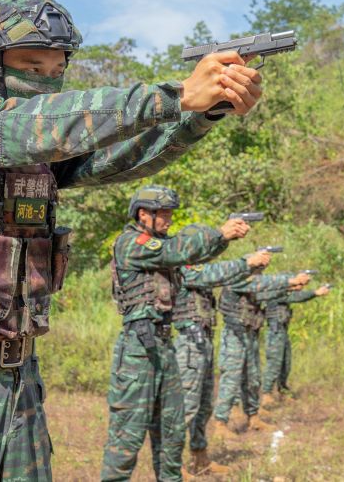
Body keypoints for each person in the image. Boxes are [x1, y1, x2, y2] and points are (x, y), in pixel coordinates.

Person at [0, 0, 263, 481]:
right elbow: (40, 124)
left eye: (56, 69)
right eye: (33, 63)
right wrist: (174, 95)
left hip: (18, 381)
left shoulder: (38, 152)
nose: (47, 79)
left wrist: (205, 112)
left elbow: (123, 155)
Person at [101, 188, 253, 481]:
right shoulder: (132, 243)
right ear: (143, 214)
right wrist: (219, 233)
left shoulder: (160, 245)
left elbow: (193, 254)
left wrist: (223, 239)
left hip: (163, 346)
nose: (169, 219)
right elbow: (177, 250)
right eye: (164, 214)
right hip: (137, 350)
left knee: (171, 435)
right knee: (127, 438)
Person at [174, 244, 272, 476]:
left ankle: (200, 458)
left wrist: (249, 265)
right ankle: (173, 467)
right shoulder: (183, 269)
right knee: (185, 407)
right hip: (188, 345)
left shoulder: (198, 270)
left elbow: (221, 274)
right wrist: (246, 263)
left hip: (202, 341)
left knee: (204, 405)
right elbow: (214, 275)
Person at [211, 271, 311, 437]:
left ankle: (253, 417)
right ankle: (221, 422)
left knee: (253, 378)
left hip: (250, 333)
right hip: (235, 334)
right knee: (231, 378)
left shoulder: (253, 284)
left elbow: (270, 292)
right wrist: (289, 281)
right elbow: (261, 284)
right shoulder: (238, 277)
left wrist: (291, 286)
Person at [259, 283, 331, 408]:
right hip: (275, 332)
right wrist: (315, 293)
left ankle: (283, 391)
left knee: (285, 364)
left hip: (282, 331)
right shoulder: (277, 293)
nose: (299, 287)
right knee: (274, 364)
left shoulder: (282, 294)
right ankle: (266, 393)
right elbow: (297, 297)